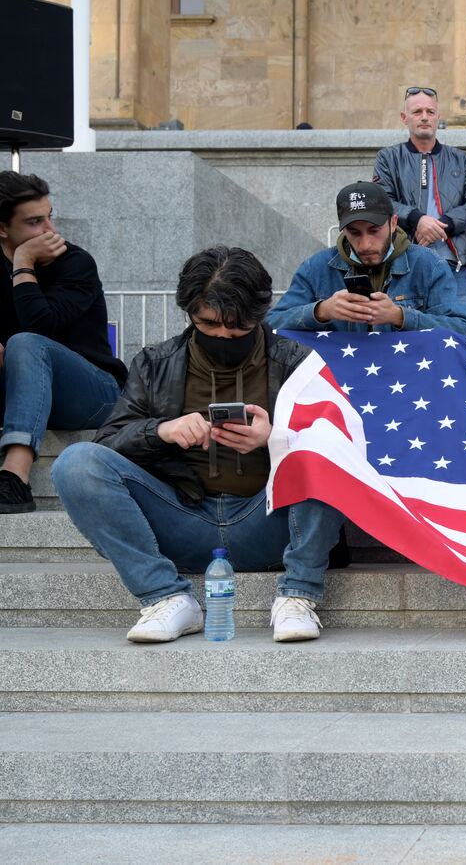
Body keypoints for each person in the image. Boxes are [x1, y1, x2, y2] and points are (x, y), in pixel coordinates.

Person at [52, 247, 347, 643]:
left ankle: (299, 594)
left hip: (270, 523)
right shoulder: (155, 363)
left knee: (323, 447)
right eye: (208, 324)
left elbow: (343, 446)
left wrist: (275, 439)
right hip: (181, 518)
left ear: (259, 315)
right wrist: (161, 430)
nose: (223, 335)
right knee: (76, 462)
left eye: (237, 327)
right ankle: (164, 597)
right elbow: (108, 442)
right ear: (188, 312)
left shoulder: (298, 361)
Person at [0, 171, 127, 513]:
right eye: (34, 222)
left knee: (25, 343)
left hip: (94, 392)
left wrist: (23, 263)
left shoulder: (76, 263)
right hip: (21, 390)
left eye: (49, 216)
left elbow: (43, 329)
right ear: (2, 228)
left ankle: (14, 478)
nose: (49, 231)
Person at [268, 181, 466, 336]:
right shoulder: (316, 268)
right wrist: (321, 311)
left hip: (410, 382)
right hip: (340, 385)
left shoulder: (429, 265)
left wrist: (399, 316)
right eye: (354, 233)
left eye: (374, 231)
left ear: (393, 223)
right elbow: (271, 324)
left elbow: (464, 331)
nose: (365, 244)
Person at [372, 86, 466, 326]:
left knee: (462, 337)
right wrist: (417, 219)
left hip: (452, 264)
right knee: (404, 337)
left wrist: (442, 225)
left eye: (430, 111)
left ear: (438, 116)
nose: (425, 117)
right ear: (405, 117)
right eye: (417, 111)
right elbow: (382, 201)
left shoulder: (460, 159)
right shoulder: (388, 158)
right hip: (404, 263)